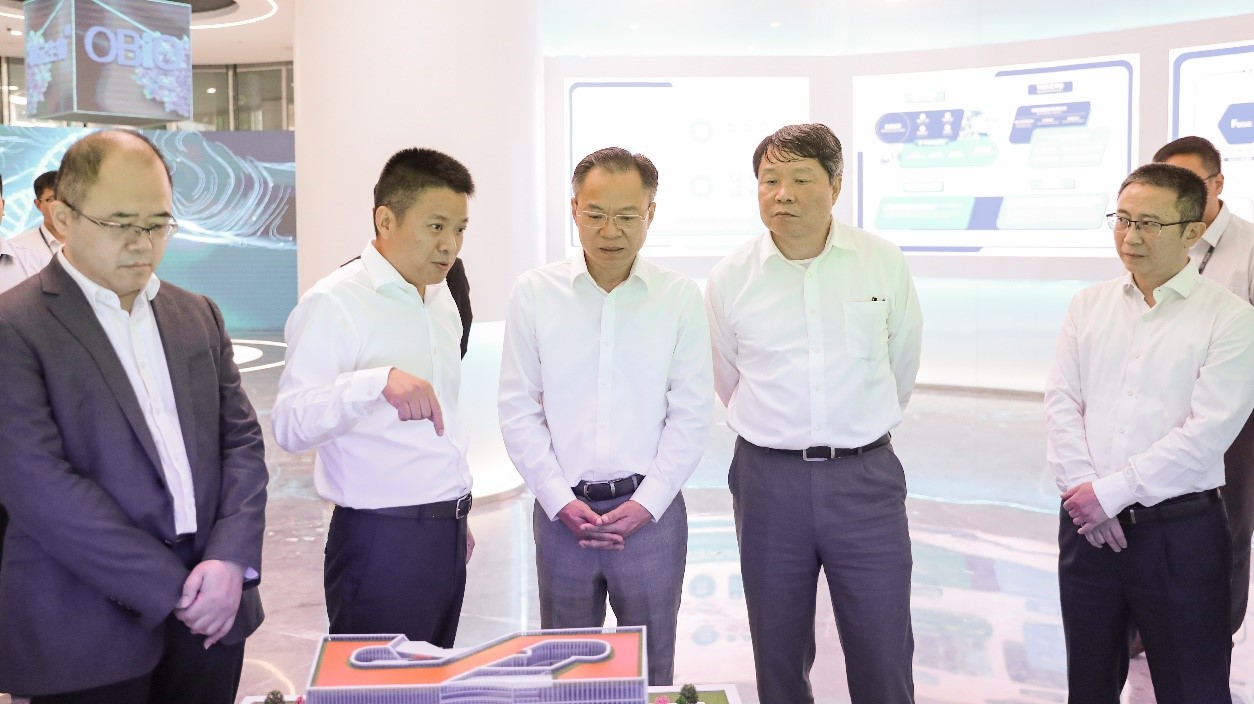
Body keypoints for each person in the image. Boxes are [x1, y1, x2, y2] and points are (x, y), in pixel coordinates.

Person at [0, 130, 268, 703]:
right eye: (119, 223)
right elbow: (37, 486)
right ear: (63, 218)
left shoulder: (196, 315)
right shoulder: (15, 326)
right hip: (85, 626)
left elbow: (242, 443)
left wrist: (229, 559)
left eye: (157, 223)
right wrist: (176, 590)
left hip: (214, 618)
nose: (142, 244)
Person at [705, 123, 922, 704]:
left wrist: (857, 427)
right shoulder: (731, 278)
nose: (783, 194)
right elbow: (727, 377)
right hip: (768, 481)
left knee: (882, 651)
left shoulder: (881, 262)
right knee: (777, 652)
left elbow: (902, 364)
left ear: (836, 185)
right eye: (769, 180)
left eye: (801, 179)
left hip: (865, 479)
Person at [498, 147, 712, 686]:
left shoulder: (679, 297)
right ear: (574, 209)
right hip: (562, 517)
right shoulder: (535, 293)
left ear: (650, 213)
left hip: (650, 517)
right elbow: (518, 408)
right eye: (595, 214)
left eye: (626, 215)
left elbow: (691, 413)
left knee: (652, 672)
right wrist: (557, 499)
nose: (609, 230)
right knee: (565, 676)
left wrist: (647, 504)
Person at [1047, 162, 1254, 702]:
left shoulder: (1231, 318)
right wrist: (1086, 494)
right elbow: (1062, 403)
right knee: (1088, 685)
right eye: (1122, 219)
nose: (1130, 237)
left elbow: (1206, 434)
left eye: (1150, 224)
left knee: (1192, 688)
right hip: (1087, 530)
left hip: (1179, 534)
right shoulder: (1087, 305)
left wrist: (1109, 495)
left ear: (1191, 231)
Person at [273, 147, 476, 647]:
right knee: (378, 683)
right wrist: (375, 382)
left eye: (460, 229)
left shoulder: (442, 297)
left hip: (446, 532)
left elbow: (441, 425)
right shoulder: (335, 301)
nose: (449, 245)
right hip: (380, 540)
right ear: (386, 220)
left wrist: (451, 512)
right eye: (436, 226)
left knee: (431, 680)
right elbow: (289, 424)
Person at [1153, 136, 1254, 637]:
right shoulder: (1155, 238)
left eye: (1189, 181)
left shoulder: (1249, 245)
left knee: (1228, 524)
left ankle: (1216, 633)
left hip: (1234, 418)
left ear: (1218, 184)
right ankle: (1147, 627)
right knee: (1152, 515)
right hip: (1159, 404)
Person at [12, 170, 65, 256]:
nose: (61, 205)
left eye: (66, 198)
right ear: (38, 205)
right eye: (52, 199)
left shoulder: (87, 238)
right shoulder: (17, 248)